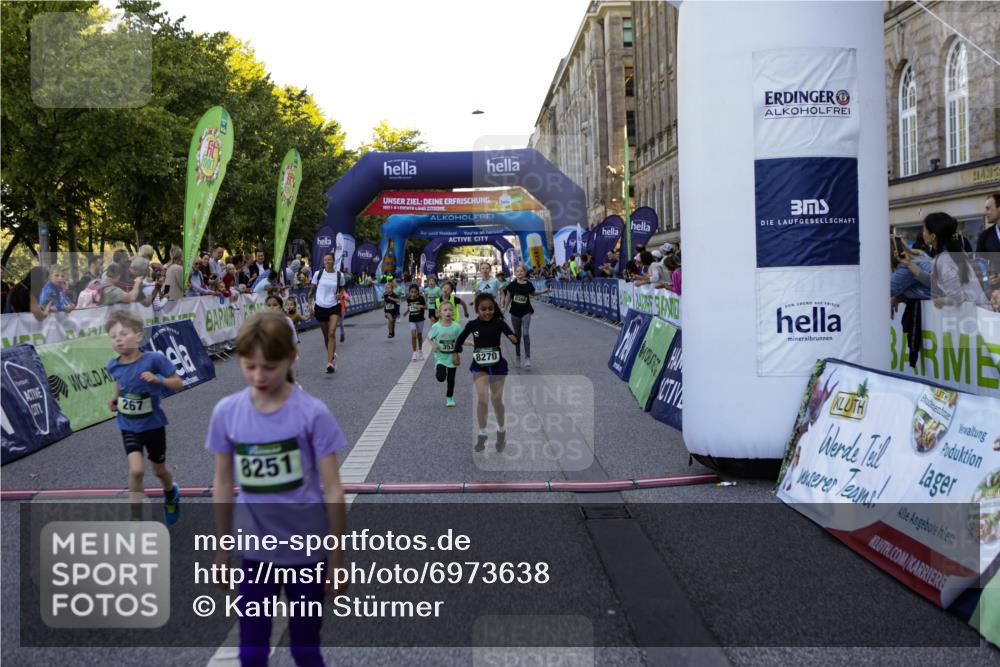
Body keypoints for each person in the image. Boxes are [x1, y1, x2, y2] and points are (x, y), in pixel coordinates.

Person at [206, 311, 347, 667]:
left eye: (269, 367)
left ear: (292, 358)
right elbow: (222, 482)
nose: (258, 376)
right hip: (255, 553)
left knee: (305, 648)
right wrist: (222, 551)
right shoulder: (227, 412)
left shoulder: (312, 414)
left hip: (306, 553)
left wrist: (338, 558)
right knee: (251, 651)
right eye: (249, 366)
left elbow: (333, 488)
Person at [105, 310, 183, 522]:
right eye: (113, 336)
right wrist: (115, 400)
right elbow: (120, 384)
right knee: (136, 470)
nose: (118, 339)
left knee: (159, 471)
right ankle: (136, 517)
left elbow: (178, 383)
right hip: (128, 425)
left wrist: (159, 380)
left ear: (139, 336)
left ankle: (170, 493)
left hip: (153, 425)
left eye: (123, 334)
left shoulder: (154, 359)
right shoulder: (113, 365)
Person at [453, 293, 518, 452]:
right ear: (477, 309)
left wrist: (513, 338)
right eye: (483, 309)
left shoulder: (498, 323)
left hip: (497, 366)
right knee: (482, 399)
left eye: (490, 309)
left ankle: (501, 431)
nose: (487, 312)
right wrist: (456, 353)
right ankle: (482, 434)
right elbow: (460, 339)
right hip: (480, 366)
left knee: (496, 400)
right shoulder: (472, 325)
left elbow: (514, 337)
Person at [898, 212, 989, 308]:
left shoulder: (945, 259)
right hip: (977, 313)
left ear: (933, 236)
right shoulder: (950, 254)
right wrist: (909, 264)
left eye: (924, 230)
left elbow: (957, 298)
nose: (922, 233)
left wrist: (942, 301)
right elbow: (932, 282)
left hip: (974, 315)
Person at [503, 265, 549, 369]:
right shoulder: (511, 285)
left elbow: (533, 293)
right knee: (517, 336)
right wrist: (504, 309)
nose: (519, 273)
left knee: (526, 333)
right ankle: (518, 356)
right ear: (515, 273)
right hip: (514, 313)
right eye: (517, 271)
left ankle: (527, 357)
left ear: (524, 273)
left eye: (521, 271)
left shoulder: (528, 284)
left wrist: (544, 291)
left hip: (526, 312)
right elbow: (508, 297)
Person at [308, 252, 344, 373]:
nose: (327, 262)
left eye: (329, 260)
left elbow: (342, 288)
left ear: (334, 261)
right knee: (325, 336)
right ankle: (332, 355)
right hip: (320, 306)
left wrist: (340, 295)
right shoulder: (318, 274)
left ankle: (330, 363)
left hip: (334, 305)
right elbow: (312, 290)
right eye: (325, 260)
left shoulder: (339, 275)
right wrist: (309, 304)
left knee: (332, 332)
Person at [426, 301, 462, 407]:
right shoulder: (436, 326)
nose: (448, 312)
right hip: (440, 357)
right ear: (440, 313)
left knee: (451, 380)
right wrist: (433, 345)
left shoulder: (457, 327)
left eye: (450, 310)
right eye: (445, 310)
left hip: (452, 357)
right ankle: (438, 368)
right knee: (441, 378)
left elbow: (461, 340)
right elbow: (429, 337)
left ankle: (450, 398)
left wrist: (473, 343)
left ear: (453, 313)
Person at [976, 192, 1000, 296]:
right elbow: (978, 267)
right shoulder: (984, 236)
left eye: (988, 208)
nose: (985, 212)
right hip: (993, 297)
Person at [405, 283, 427, 361]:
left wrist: (420, 306)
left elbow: (426, 307)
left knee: (419, 336)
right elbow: (409, 307)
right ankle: (414, 352)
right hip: (412, 319)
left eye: (415, 292)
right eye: (412, 292)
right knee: (413, 336)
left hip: (420, 319)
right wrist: (406, 312)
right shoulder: (408, 299)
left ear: (418, 292)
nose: (413, 293)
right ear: (409, 292)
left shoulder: (421, 298)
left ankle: (420, 351)